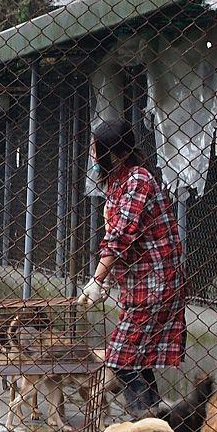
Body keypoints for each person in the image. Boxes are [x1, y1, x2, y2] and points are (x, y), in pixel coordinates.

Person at [78, 118, 185, 414]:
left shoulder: (138, 179)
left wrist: (98, 279)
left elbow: (122, 233)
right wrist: (106, 279)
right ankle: (156, 427)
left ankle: (144, 427)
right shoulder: (117, 180)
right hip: (138, 282)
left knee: (123, 358)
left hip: (155, 281)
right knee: (136, 357)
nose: (92, 153)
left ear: (117, 152)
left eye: (97, 148)